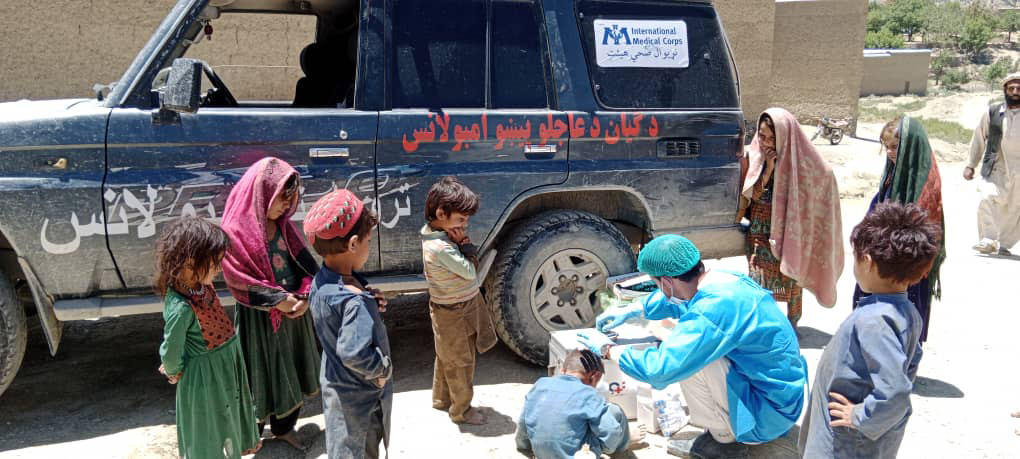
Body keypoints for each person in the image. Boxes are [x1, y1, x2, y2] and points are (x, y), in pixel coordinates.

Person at [580, 235, 807, 459]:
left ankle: (724, 440)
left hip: (767, 417)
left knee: (687, 358)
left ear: (667, 282)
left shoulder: (716, 307)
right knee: (689, 344)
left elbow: (659, 371)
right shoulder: (724, 280)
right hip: (783, 397)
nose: (659, 290)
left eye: (657, 284)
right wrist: (636, 310)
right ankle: (727, 424)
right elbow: (687, 301)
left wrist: (608, 349)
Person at [799, 202, 939, 458]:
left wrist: (861, 415)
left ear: (867, 261)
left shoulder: (875, 321)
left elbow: (895, 391)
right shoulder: (905, 311)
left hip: (846, 445)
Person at [221, 157, 320, 450]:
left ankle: (284, 427)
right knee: (259, 372)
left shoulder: (284, 228)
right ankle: (251, 433)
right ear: (261, 194)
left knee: (291, 366)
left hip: (293, 316)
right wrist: (277, 301)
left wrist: (303, 296)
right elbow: (236, 277)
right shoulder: (236, 231)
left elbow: (306, 267)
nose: (284, 208)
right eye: (280, 200)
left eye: (289, 201)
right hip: (259, 321)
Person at [155, 217, 261, 458]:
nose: (218, 268)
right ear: (190, 263)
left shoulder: (201, 286)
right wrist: (173, 370)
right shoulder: (181, 308)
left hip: (225, 367)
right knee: (208, 428)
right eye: (214, 262)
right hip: (205, 377)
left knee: (227, 417)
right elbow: (171, 347)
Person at [737, 108, 844, 329]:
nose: (766, 143)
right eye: (762, 136)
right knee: (757, 278)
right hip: (760, 226)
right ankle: (762, 325)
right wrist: (768, 170)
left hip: (790, 230)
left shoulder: (802, 160)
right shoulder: (756, 156)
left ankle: (792, 323)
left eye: (772, 139)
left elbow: (824, 176)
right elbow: (753, 194)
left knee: (792, 276)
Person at [305, 189, 392, 459]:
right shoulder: (354, 301)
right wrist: (381, 370)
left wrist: (369, 298)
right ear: (353, 244)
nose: (369, 245)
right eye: (368, 240)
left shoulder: (322, 281)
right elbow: (353, 352)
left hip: (337, 388)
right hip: (361, 401)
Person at [853, 117, 945, 343]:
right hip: (879, 261)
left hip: (902, 269)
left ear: (910, 148)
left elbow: (922, 233)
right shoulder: (892, 177)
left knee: (899, 327)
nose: (890, 153)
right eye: (886, 147)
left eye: (895, 147)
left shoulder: (923, 185)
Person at [420, 176, 498, 425]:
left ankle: (442, 399)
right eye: (461, 220)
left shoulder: (433, 235)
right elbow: (468, 271)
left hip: (450, 306)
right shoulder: (443, 248)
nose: (464, 226)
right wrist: (465, 245)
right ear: (441, 213)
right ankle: (461, 411)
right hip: (455, 311)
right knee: (461, 362)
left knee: (447, 356)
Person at [516, 349, 643, 459]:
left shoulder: (540, 384)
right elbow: (611, 432)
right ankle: (621, 449)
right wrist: (603, 449)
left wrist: (525, 447)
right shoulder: (588, 394)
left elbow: (523, 421)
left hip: (541, 453)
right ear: (594, 376)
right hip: (578, 455)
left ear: (562, 370)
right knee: (615, 411)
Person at [966, 72, 1020, 256]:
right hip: (996, 167)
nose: (1015, 91)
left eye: (1019, 88)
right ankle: (987, 238)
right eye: (1011, 88)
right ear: (1005, 90)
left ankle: (1004, 243)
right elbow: (979, 138)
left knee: (1015, 208)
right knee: (986, 197)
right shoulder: (993, 112)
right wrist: (971, 164)